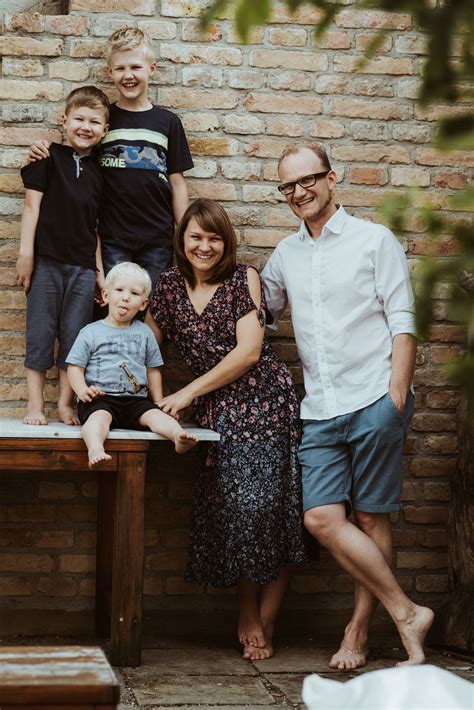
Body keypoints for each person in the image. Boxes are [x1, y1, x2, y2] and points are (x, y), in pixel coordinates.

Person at [261, 143, 434, 669]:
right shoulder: (285, 254)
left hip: (373, 397)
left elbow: (403, 320)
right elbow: (256, 309)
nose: (298, 193)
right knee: (320, 518)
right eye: (287, 186)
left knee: (371, 516)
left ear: (332, 177)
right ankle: (406, 610)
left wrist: (395, 397)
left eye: (307, 180)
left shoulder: (373, 240)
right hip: (319, 409)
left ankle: (358, 632)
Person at [146, 198, 310, 660]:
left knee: (269, 512)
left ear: (226, 241)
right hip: (219, 412)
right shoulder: (167, 288)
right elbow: (144, 344)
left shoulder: (244, 279)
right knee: (238, 512)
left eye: (214, 237)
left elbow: (249, 353)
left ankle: (260, 618)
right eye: (195, 237)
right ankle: (249, 609)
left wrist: (187, 393)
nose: (205, 246)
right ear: (181, 241)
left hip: (264, 402)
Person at [29, 27, 193, 291]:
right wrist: (43, 149)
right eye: (120, 69)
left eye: (135, 67)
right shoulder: (103, 121)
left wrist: (184, 233)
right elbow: (78, 152)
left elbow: (178, 184)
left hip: (157, 237)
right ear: (110, 72)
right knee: (113, 305)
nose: (128, 75)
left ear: (152, 69)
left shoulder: (168, 122)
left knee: (151, 308)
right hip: (112, 236)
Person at [16, 86, 110, 426]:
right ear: (65, 120)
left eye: (95, 122)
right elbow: (31, 207)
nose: (86, 127)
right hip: (48, 263)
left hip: (83, 269)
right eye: (79, 119)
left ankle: (65, 403)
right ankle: (36, 404)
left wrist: (100, 273)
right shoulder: (46, 157)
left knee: (74, 337)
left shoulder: (101, 174)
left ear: (105, 130)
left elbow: (96, 227)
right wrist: (26, 254)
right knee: (40, 333)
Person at [67, 262, 199, 469]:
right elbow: (74, 367)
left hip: (135, 400)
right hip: (100, 399)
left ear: (144, 304)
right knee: (98, 420)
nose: (125, 297)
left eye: (134, 293)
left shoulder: (145, 333)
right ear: (106, 295)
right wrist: (82, 390)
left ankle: (178, 437)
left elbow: (153, 369)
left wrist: (159, 403)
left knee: (156, 417)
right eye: (119, 290)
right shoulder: (90, 332)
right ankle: (95, 449)